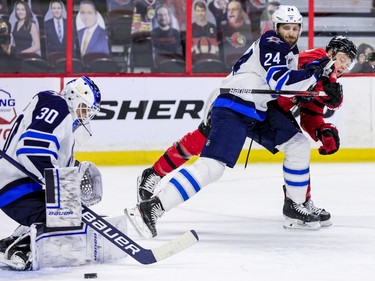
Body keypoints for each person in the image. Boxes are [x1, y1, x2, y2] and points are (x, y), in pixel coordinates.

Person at [126, 5, 335, 238]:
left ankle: (295, 207)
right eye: (286, 27)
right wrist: (314, 74)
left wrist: (318, 85)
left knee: (298, 144)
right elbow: (280, 82)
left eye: (295, 28)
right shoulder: (272, 42)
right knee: (211, 166)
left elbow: (285, 89)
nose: (290, 32)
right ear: (276, 27)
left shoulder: (290, 51)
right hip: (235, 104)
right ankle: (152, 207)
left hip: (258, 110)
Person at [0, 77, 120, 270]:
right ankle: (21, 248)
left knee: (70, 219)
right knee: (67, 223)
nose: (86, 115)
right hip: (18, 186)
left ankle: (14, 240)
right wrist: (64, 188)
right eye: (85, 107)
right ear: (74, 96)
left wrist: (75, 173)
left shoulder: (59, 112)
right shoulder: (58, 104)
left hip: (20, 184)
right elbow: (31, 150)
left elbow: (47, 156)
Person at [219, 0, 254, 68]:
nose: (231, 12)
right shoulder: (222, 28)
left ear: (241, 12)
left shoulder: (249, 27)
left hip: (246, 68)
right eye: (229, 10)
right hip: (227, 69)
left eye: (234, 9)